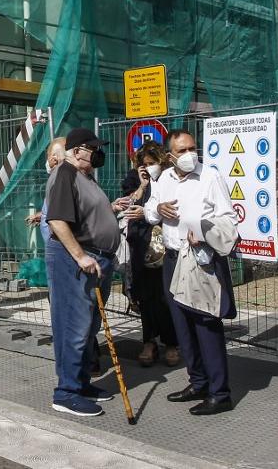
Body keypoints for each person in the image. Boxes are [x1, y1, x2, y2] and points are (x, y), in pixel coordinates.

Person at [146, 129, 238, 415]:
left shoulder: (210, 177)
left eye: (192, 149)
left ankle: (219, 393)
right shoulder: (163, 179)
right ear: (170, 155)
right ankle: (197, 382)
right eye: (182, 151)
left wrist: (204, 231)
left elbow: (228, 217)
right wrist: (158, 207)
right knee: (182, 327)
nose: (189, 155)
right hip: (172, 260)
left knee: (206, 326)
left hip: (202, 260)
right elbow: (150, 211)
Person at [45, 127, 121, 417]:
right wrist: (80, 256)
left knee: (89, 327)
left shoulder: (84, 177)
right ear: (77, 152)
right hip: (77, 260)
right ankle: (66, 392)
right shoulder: (65, 173)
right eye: (93, 149)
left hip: (97, 259)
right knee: (74, 327)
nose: (98, 153)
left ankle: (81, 383)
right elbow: (57, 220)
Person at [121, 142, 180, 367]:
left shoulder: (170, 180)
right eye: (144, 164)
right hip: (142, 245)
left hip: (166, 244)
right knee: (144, 297)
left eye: (152, 163)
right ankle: (149, 341)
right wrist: (143, 186)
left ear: (162, 162)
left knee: (166, 296)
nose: (148, 168)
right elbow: (128, 205)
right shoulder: (134, 179)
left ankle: (172, 343)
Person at [25, 136, 67, 241]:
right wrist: (42, 216)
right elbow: (54, 209)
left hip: (58, 246)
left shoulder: (60, 180)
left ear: (54, 158)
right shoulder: (56, 178)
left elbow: (59, 216)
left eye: (47, 155)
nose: (47, 159)